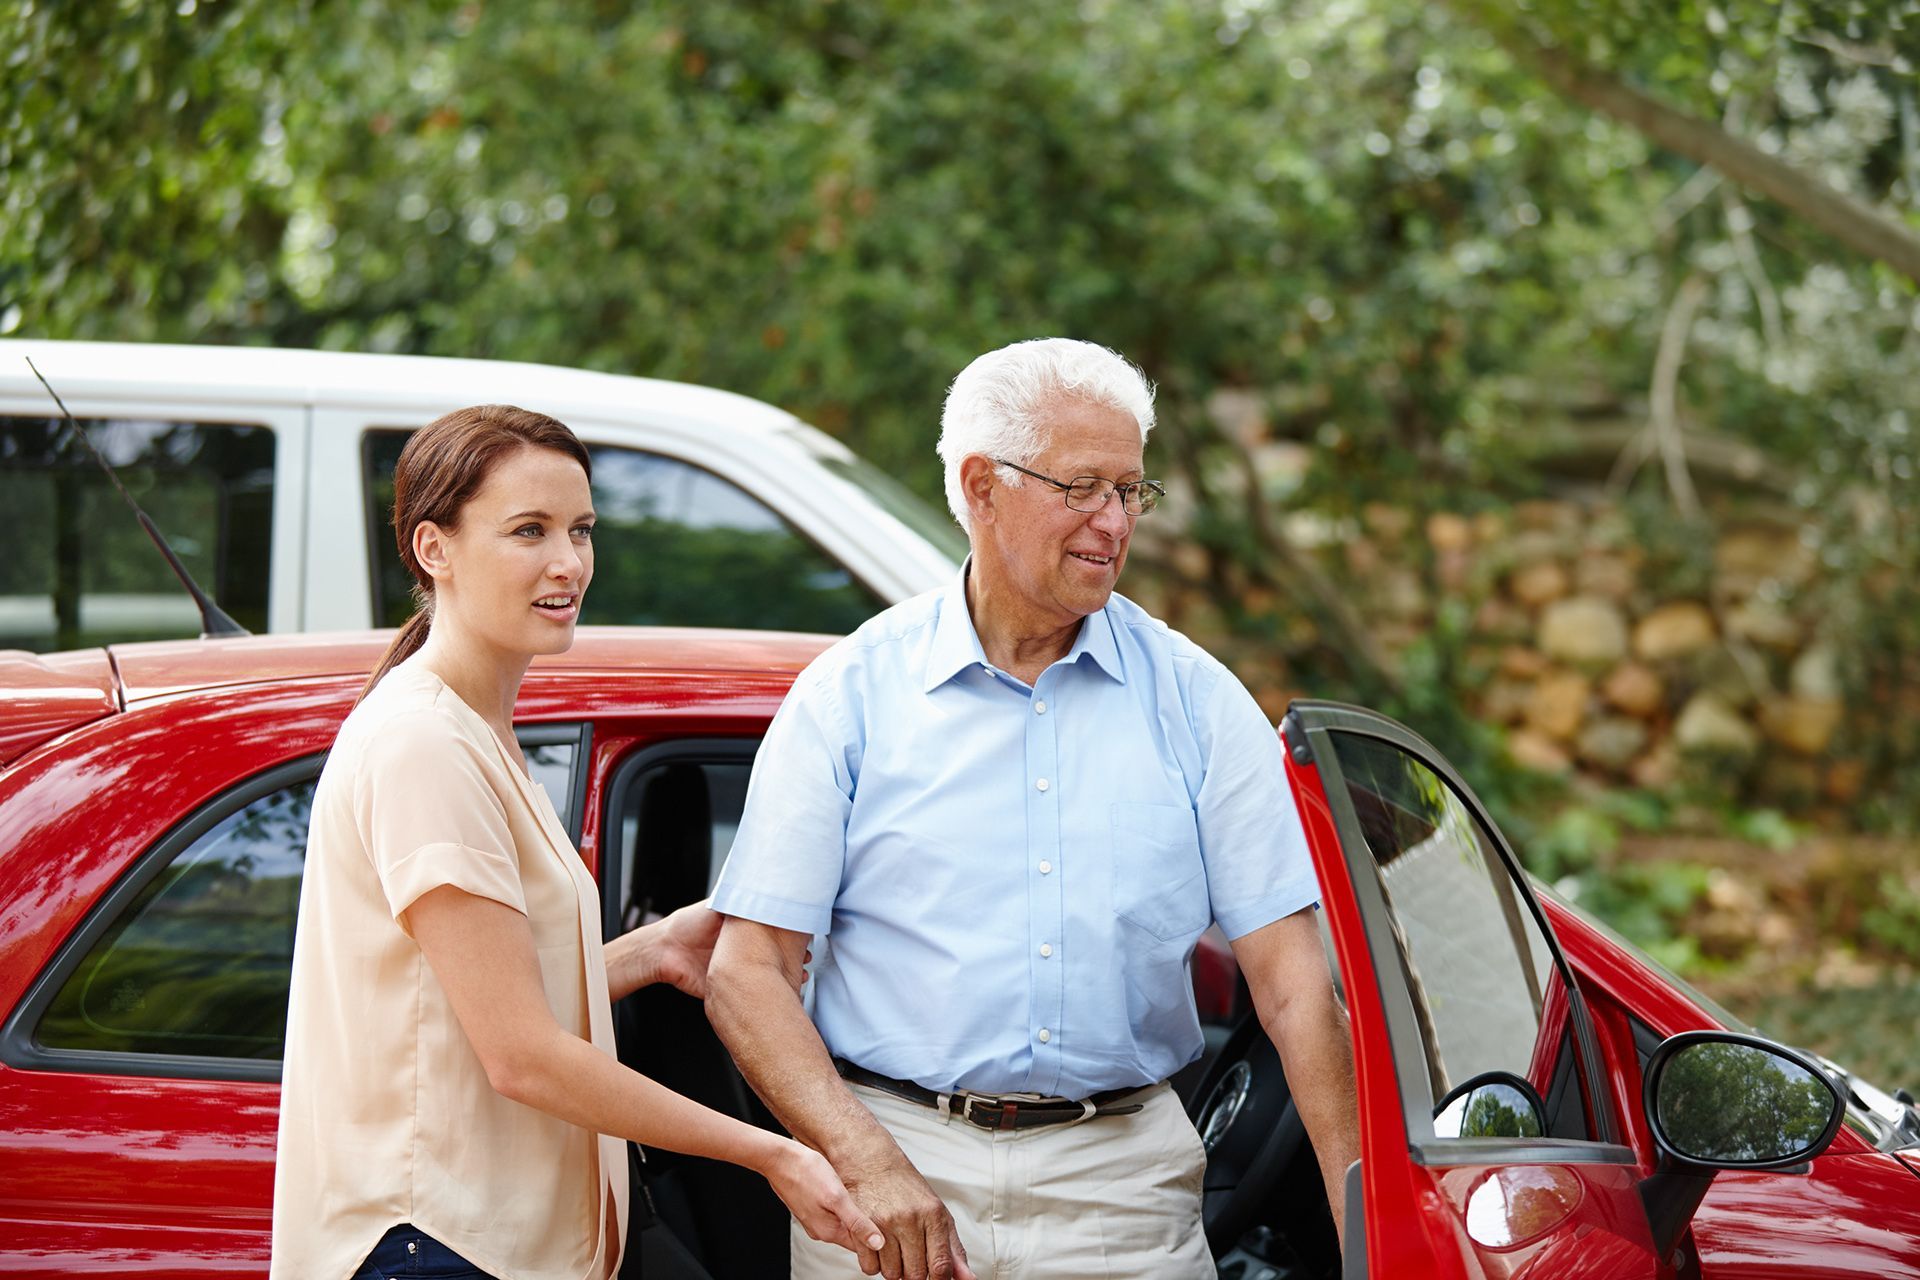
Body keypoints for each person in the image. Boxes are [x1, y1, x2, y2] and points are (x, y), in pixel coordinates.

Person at [705, 338, 1361, 1280]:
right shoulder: (849, 694)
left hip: (1123, 1191)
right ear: (981, 485)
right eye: (1083, 486)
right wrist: (870, 1162)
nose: (1114, 522)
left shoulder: (1197, 700)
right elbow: (747, 972)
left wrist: (1365, 1223)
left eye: (1131, 490)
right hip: (888, 1182)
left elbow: (1298, 986)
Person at [270, 405, 882, 1280]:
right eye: (529, 531)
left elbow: (467, 997)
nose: (569, 563)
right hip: (440, 1243)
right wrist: (771, 1153)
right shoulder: (423, 744)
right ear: (432, 549)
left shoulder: (476, 730)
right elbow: (519, 1055)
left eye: (581, 530)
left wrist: (652, 950)